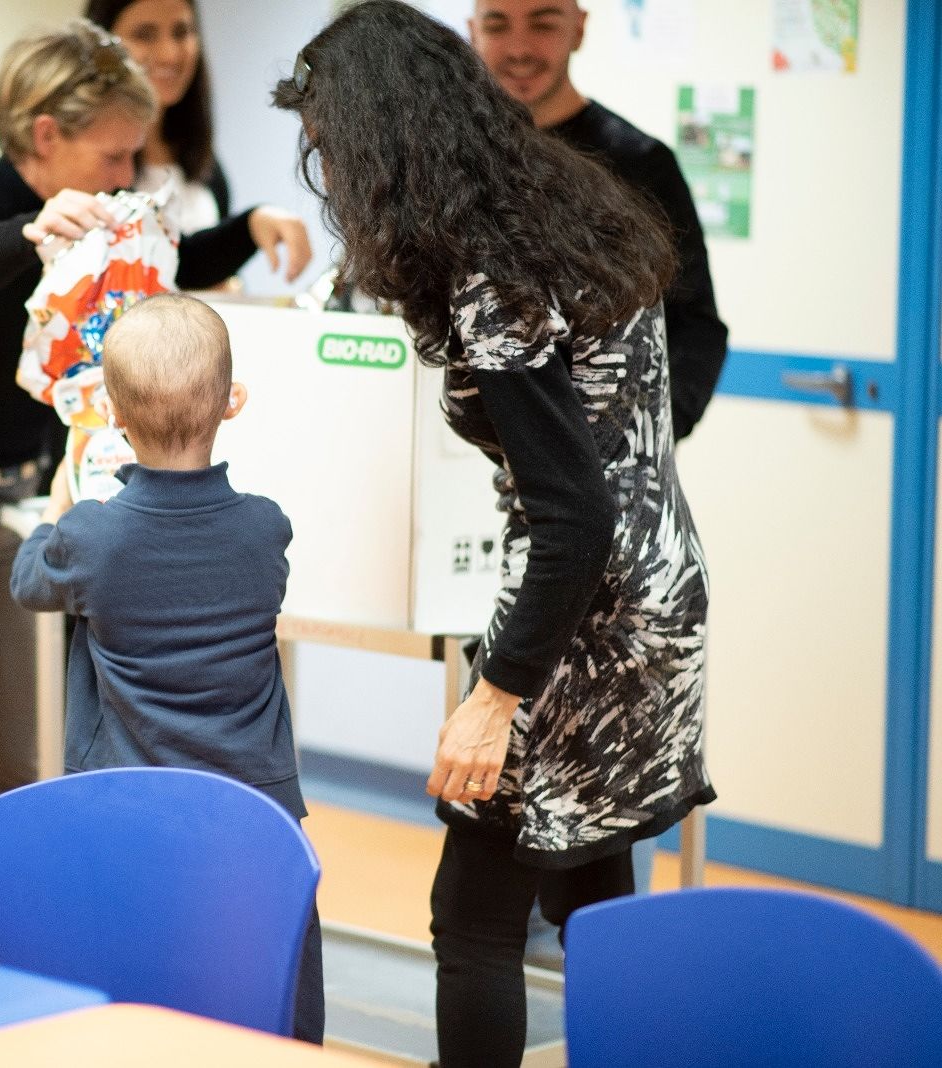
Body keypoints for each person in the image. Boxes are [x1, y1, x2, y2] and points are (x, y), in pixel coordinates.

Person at [273, 5, 713, 1067]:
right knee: (590, 885)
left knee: (471, 915)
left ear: (382, 139)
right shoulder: (564, 200)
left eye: (330, 146)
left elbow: (571, 514)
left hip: (583, 613)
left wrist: (492, 696)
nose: (327, 173)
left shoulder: (492, 269)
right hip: (656, 595)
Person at [0, 20, 310, 948]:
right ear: (46, 135)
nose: (128, 173)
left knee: (13, 774)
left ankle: (22, 979)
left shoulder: (104, 219)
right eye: (113, 152)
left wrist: (249, 230)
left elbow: (174, 263)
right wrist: (31, 229)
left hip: (14, 514)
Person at [9, 293, 323, 1043]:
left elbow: (29, 581)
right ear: (232, 403)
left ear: (115, 418)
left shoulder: (92, 536)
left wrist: (58, 508)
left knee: (138, 982)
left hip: (131, 790)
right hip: (257, 802)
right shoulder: (264, 527)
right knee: (269, 977)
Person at [469, 0, 728, 441]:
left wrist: (642, 436)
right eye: (497, 25)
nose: (519, 48)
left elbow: (695, 326)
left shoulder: (641, 165)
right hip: (460, 458)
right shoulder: (454, 162)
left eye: (543, 23)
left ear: (579, 28)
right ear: (473, 33)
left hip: (610, 471)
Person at [85, 0, 225, 234]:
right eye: (145, 35)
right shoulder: (80, 156)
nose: (169, 55)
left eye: (181, 32)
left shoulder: (202, 159)